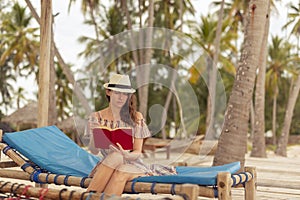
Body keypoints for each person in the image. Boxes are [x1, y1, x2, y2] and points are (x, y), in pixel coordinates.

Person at [85, 74, 176, 196]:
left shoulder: (136, 117)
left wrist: (126, 155)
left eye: (125, 94)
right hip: (108, 164)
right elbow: (94, 151)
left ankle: (88, 197)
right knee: (116, 158)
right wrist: (94, 134)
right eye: (117, 93)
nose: (121, 97)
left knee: (120, 165)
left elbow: (138, 152)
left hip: (132, 164)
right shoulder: (96, 117)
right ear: (108, 92)